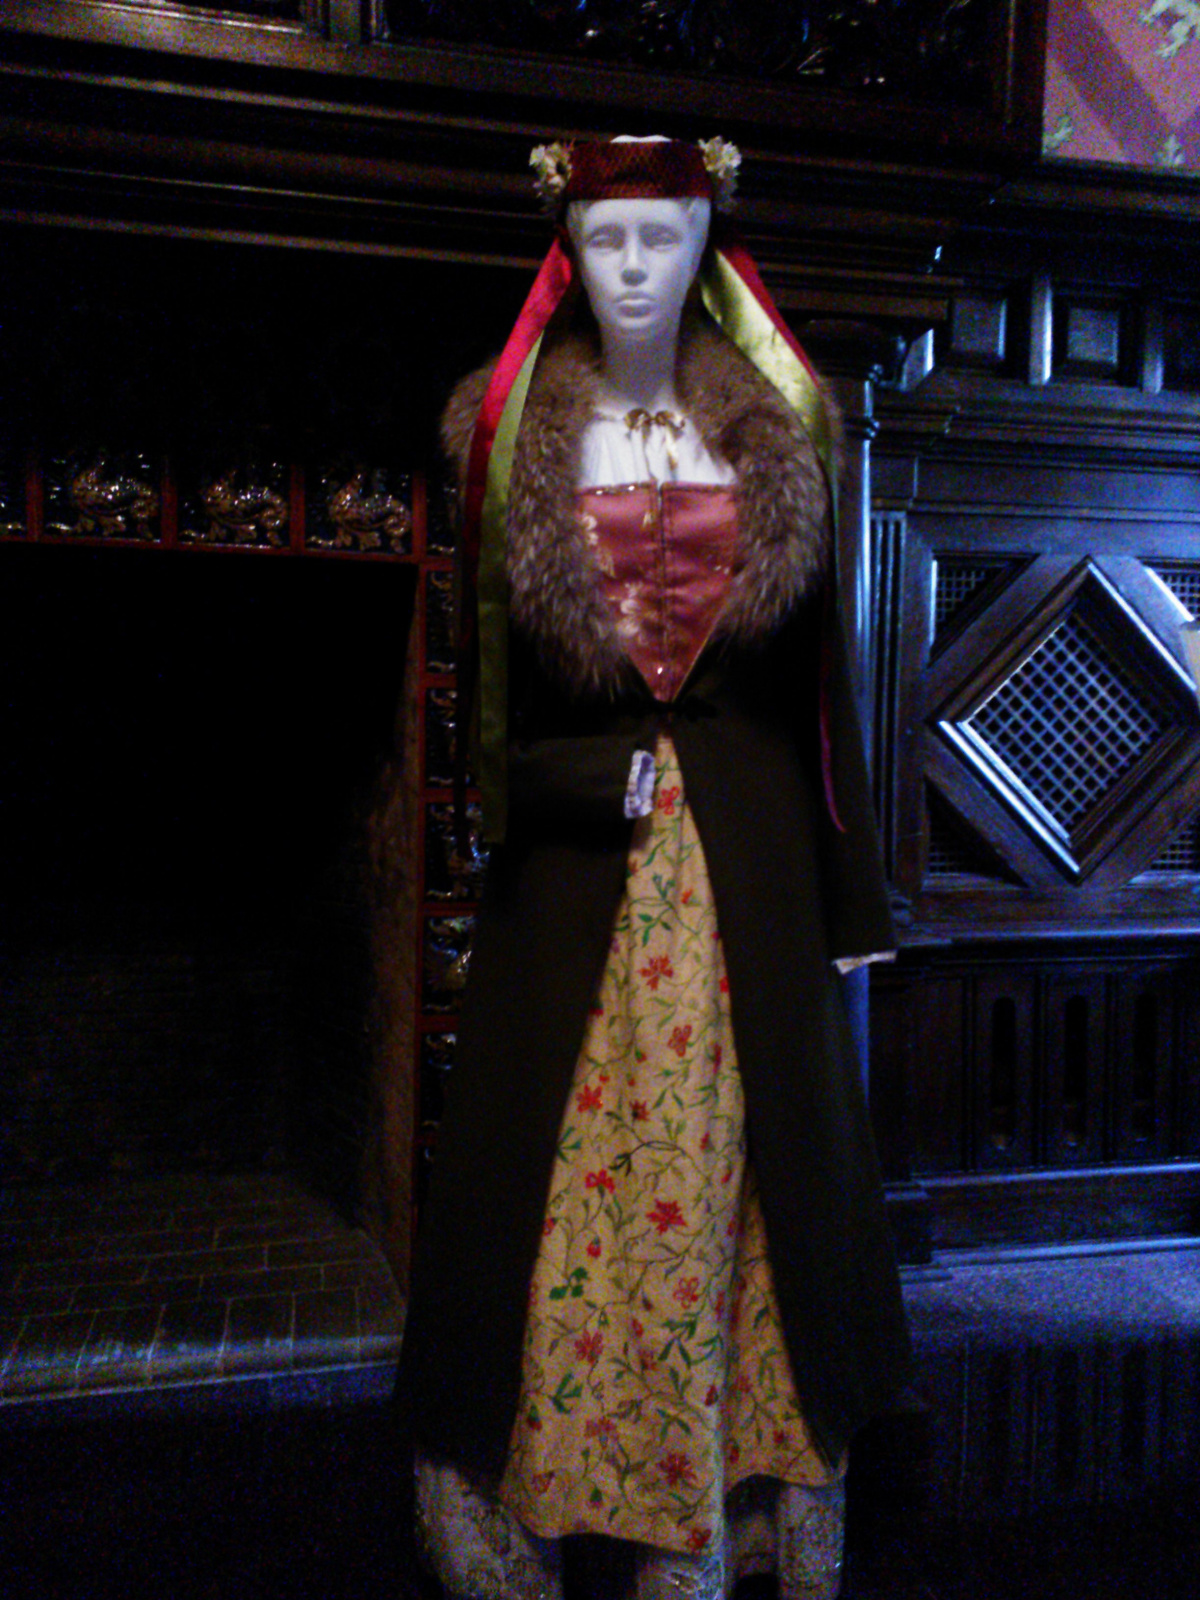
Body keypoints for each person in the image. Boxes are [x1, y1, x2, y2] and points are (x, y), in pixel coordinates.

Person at [403, 135, 909, 1600]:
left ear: (706, 249)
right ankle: (555, 1497)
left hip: (753, 885)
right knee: (565, 1185)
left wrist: (854, 899)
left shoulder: (782, 429)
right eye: (604, 238)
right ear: (565, 248)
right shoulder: (504, 438)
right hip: (579, 895)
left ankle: (733, 1514)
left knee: (754, 1180)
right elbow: (488, 717)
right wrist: (579, 783)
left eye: (661, 237)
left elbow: (824, 696)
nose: (632, 267)